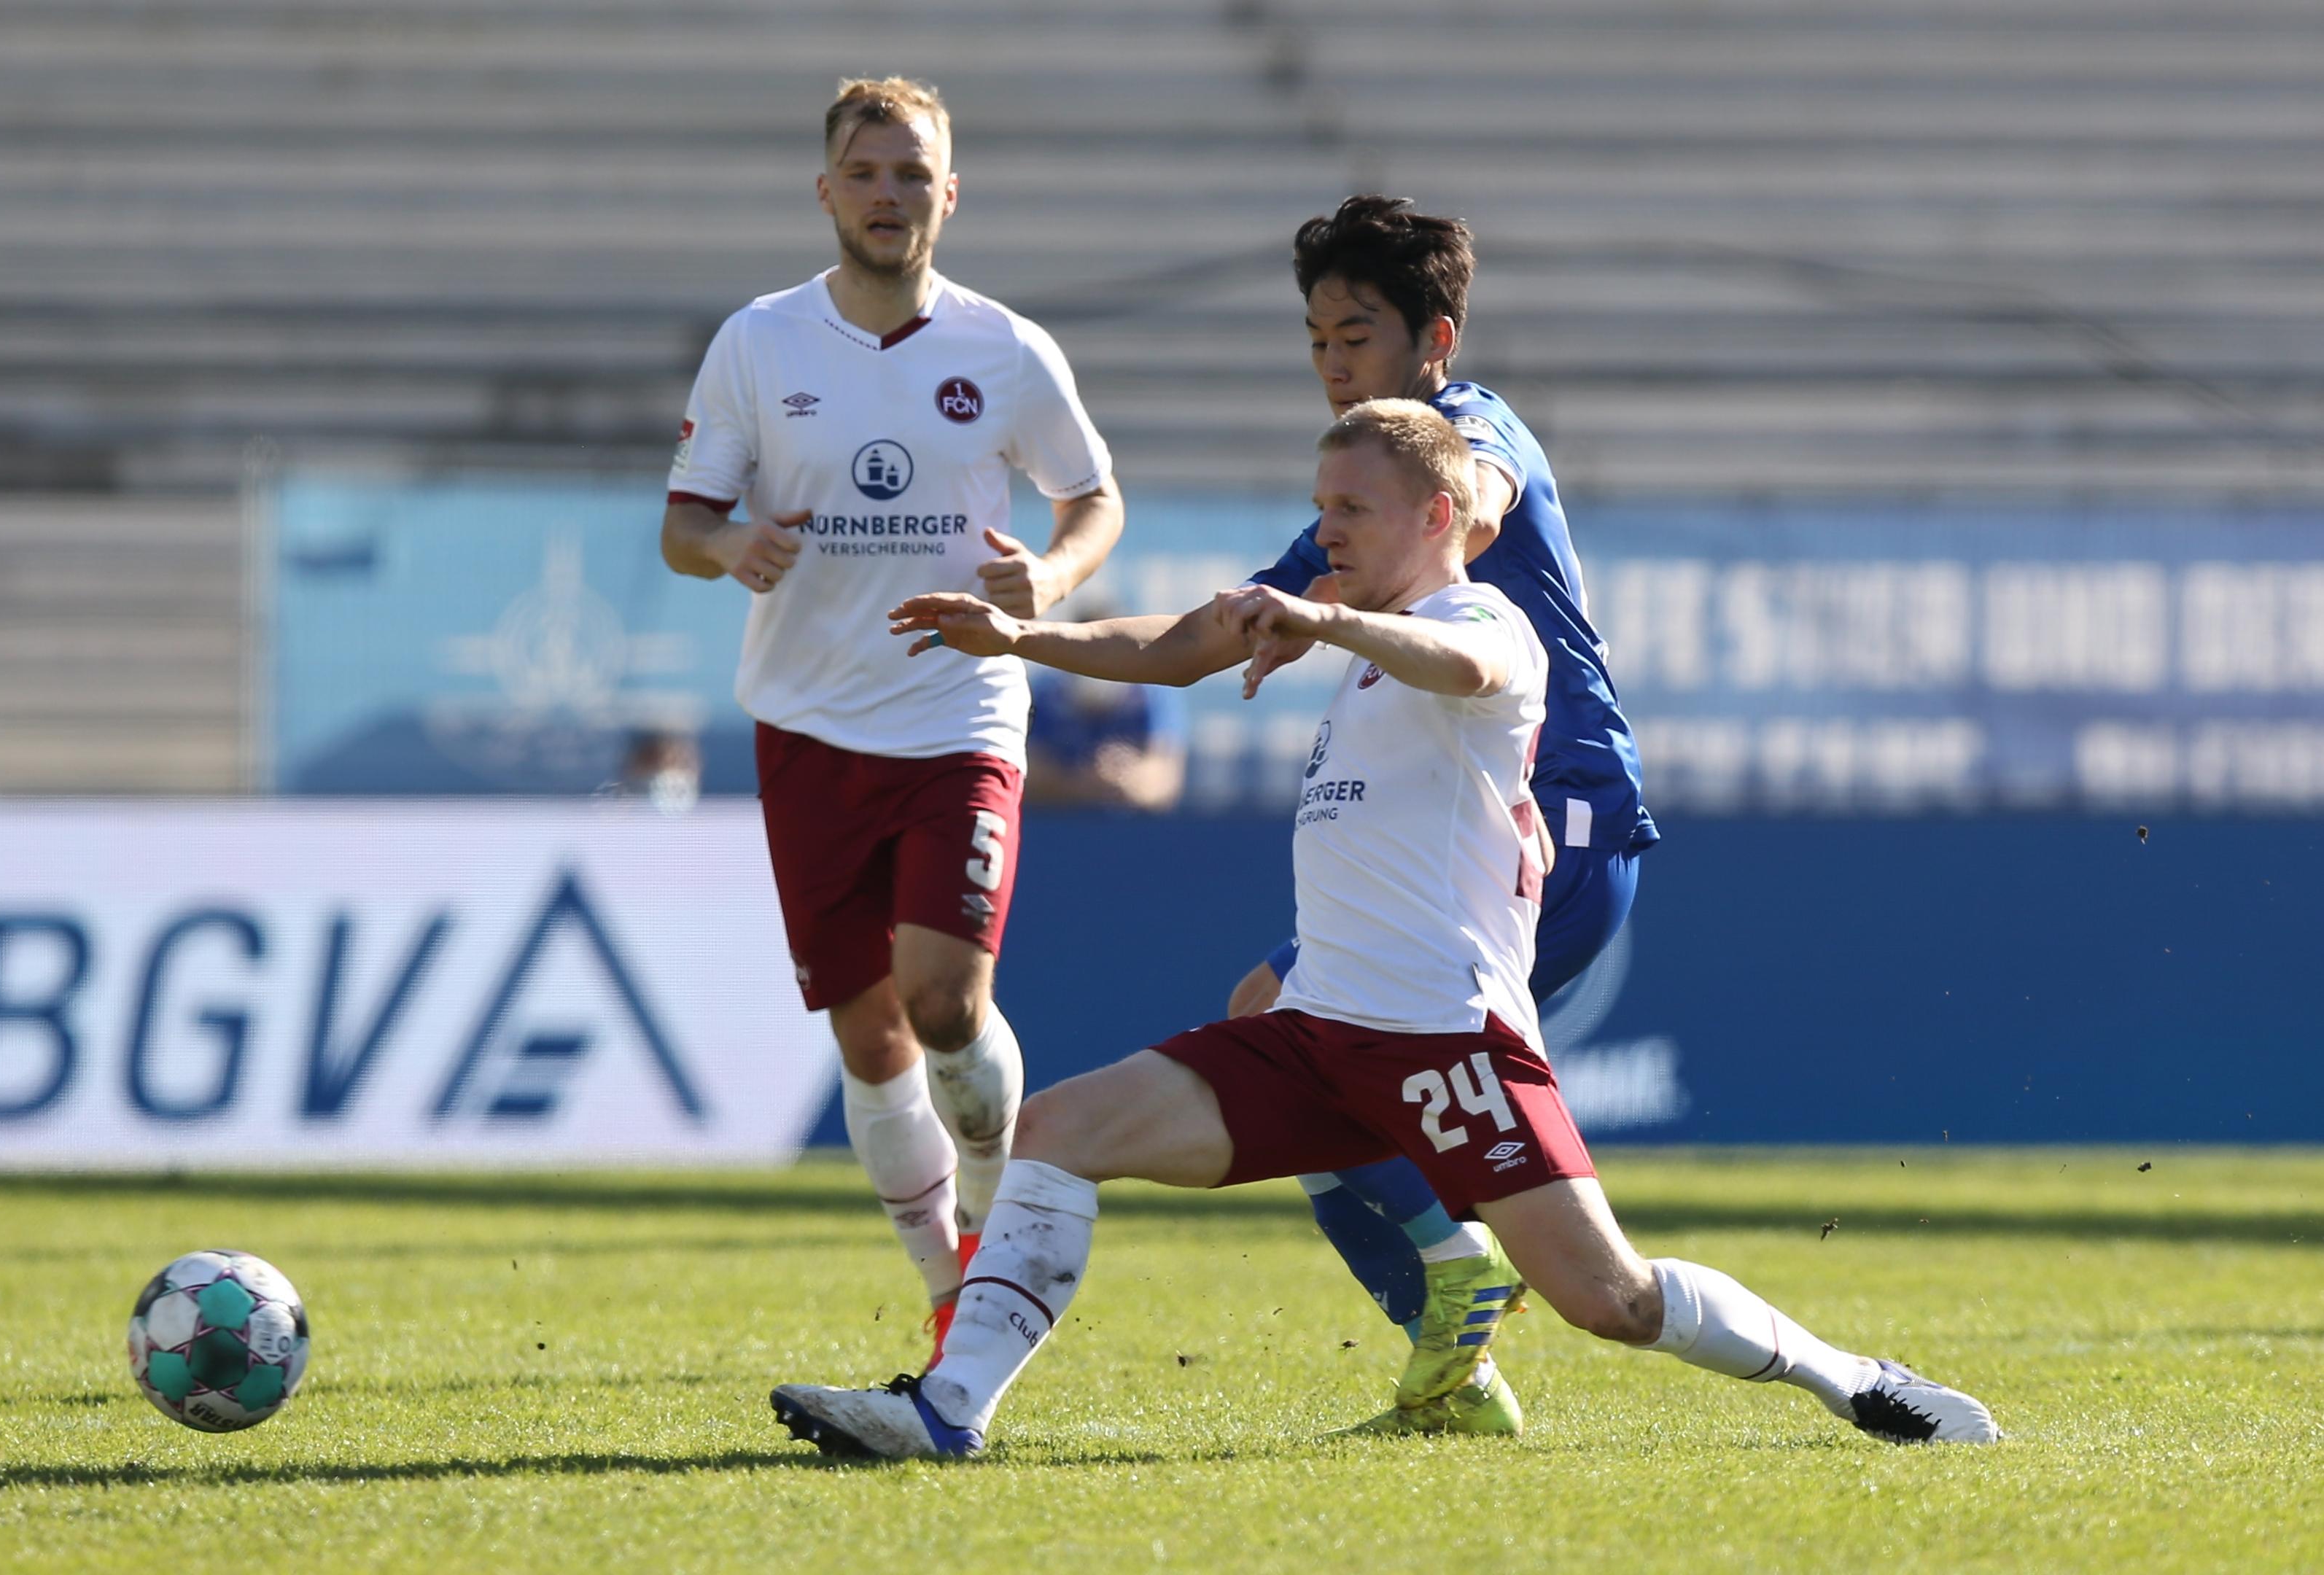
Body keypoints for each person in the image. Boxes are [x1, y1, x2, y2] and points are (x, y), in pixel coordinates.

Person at [770, 400, 1998, 1458]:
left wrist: (1332, 625)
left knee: (1613, 1302)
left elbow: (1459, 667)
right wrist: (1021, 637)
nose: (1329, 532)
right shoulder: (1357, 636)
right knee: (1056, 1130)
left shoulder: (1487, 623)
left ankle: (1854, 1381)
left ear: (1437, 517)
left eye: (1352, 508)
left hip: (1447, 1046)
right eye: (1321, 507)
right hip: (1315, 1039)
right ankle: (948, 1411)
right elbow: (1172, 643)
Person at [660, 77, 1124, 1365]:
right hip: (808, 726)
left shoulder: (1006, 349)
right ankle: (945, 1283)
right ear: (826, 191)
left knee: (944, 1003)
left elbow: (1093, 500)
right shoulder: (760, 342)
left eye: (912, 173)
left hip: (958, 711)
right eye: (865, 172)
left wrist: (1052, 578)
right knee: (869, 1037)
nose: (887, 194)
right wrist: (734, 544)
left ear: (949, 195)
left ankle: (998, 1213)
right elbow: (683, 525)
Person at [1223, 195, 1663, 1433]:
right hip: (1485, 825)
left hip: (1555, 815)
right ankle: (1454, 1347)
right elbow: (1219, 625)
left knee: (1303, 1047)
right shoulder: (1364, 499)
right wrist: (1037, 634)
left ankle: (1456, 1298)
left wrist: (1422, 527)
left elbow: (1480, 492)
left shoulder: (1467, 437)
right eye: (1317, 340)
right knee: (1283, 1030)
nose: (1331, 362)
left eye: (1356, 335)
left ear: (1437, 340)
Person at [1024, 594, 1188, 812]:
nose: (1096, 664)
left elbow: (1166, 777)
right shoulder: (1045, 693)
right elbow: (1025, 771)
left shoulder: (1150, 692)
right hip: (1059, 822)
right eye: (1086, 653)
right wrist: (1077, 784)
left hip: (1129, 824)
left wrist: (1127, 781)